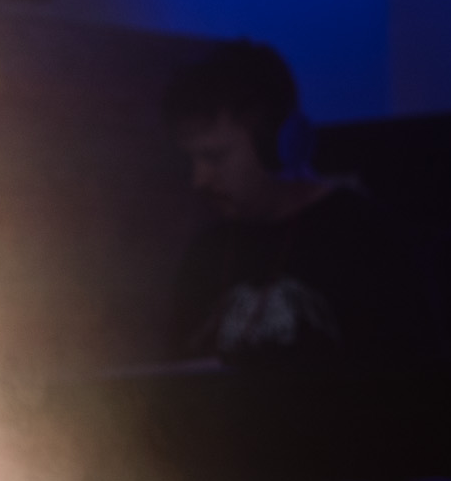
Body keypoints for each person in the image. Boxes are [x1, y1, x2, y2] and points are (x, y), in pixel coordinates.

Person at [163, 39, 421, 367]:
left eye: (214, 157)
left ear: (279, 144)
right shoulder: (205, 253)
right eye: (192, 160)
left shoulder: (368, 239)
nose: (199, 179)